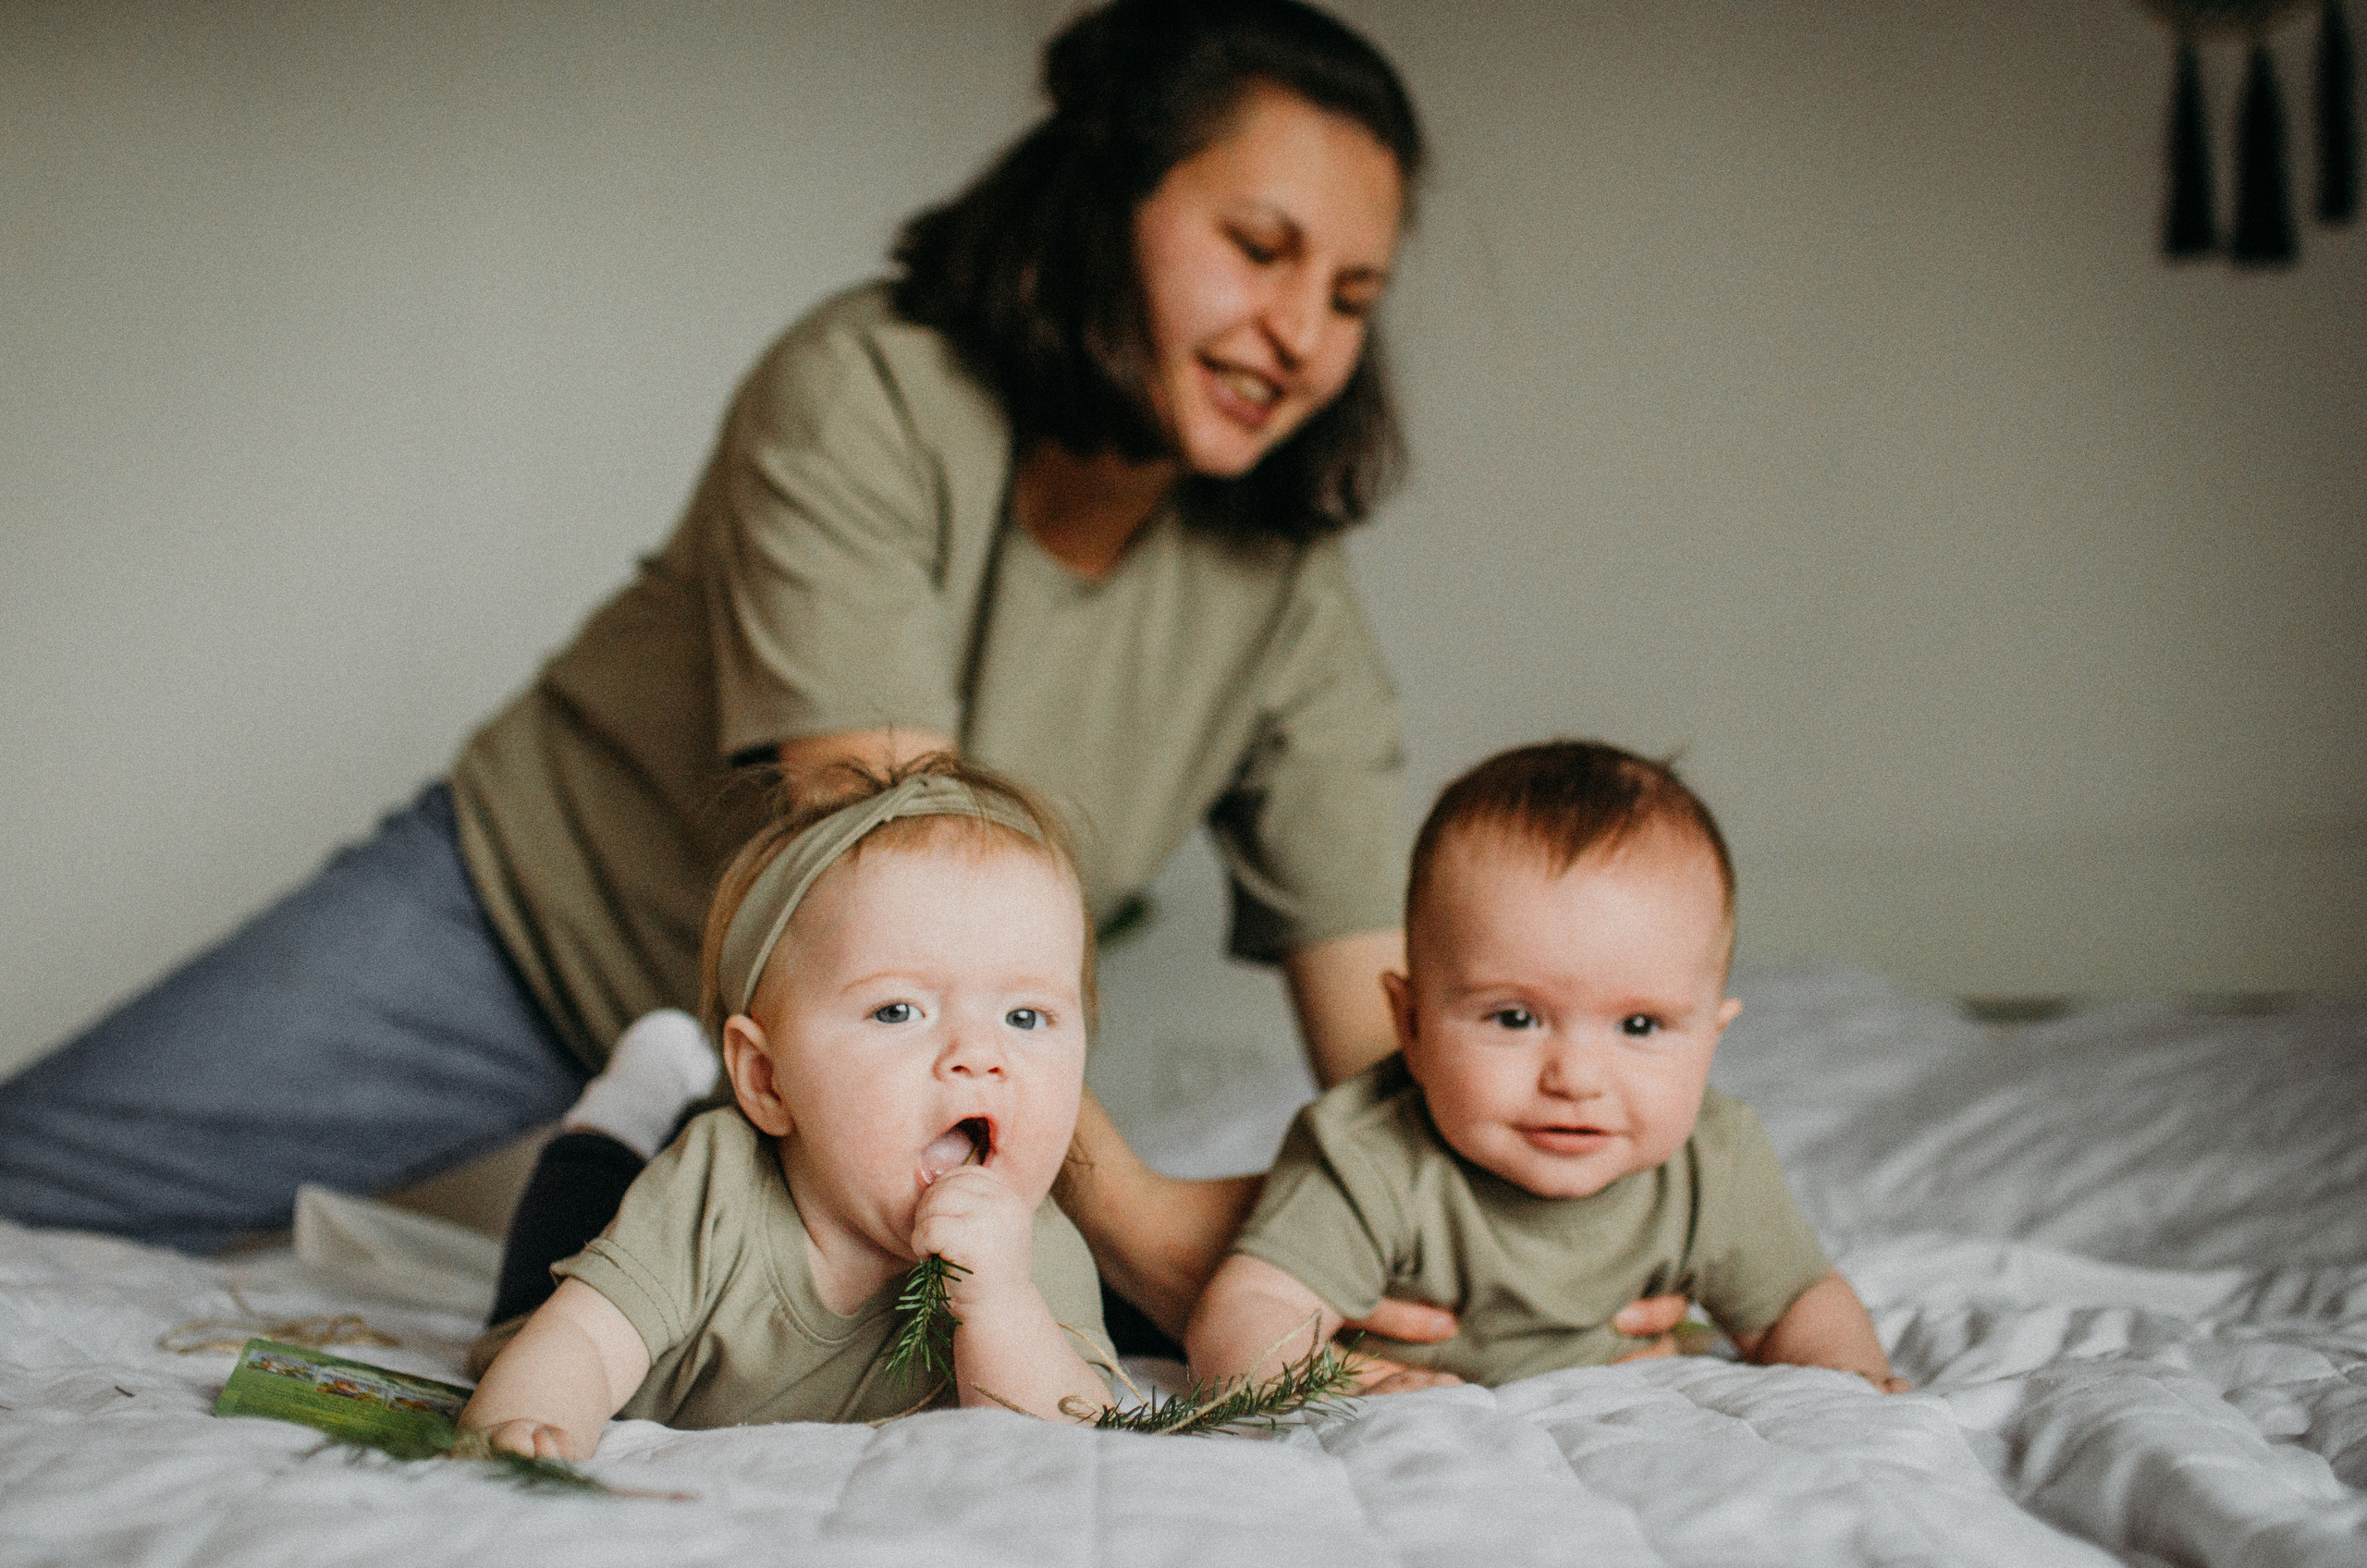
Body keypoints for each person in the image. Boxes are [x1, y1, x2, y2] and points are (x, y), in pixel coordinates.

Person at [0, 0, 1686, 1355]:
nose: (1302, 333)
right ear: (1101, 203)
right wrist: (1137, 1213)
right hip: (529, 924)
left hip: (854, 1085)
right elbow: (890, 892)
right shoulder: (863, 390)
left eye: (1353, 296)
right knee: (33, 1181)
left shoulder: (1285, 588)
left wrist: (1516, 1243)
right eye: (1259, 246)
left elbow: (1392, 1022)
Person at [1187, 741, 1907, 1393]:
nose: (1576, 1079)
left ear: (1712, 1039)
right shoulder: (1367, 1155)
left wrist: (1849, 1381)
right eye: (1515, 1018)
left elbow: (1797, 1304)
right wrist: (1357, 1381)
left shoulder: (1714, 1161)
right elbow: (1246, 1317)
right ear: (1411, 1024)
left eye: (1639, 1026)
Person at [462, 757, 1113, 1457]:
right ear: (768, 1078)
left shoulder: (1034, 1247)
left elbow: (1072, 1441)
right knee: (567, 1225)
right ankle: (626, 1110)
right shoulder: (718, 1185)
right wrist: (528, 1425)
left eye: (1025, 1017)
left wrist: (1001, 1304)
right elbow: (584, 1340)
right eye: (898, 1010)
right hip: (588, 1275)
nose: (978, 1055)